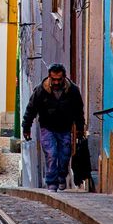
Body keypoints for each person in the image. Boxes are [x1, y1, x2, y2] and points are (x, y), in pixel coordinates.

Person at [22, 63, 85, 192]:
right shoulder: (41, 90)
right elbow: (31, 109)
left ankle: (62, 176)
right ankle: (52, 183)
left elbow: (79, 111)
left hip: (65, 128)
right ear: (49, 77)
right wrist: (26, 127)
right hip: (47, 127)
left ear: (64, 77)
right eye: (54, 79)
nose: (56, 82)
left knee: (65, 155)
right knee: (51, 154)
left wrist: (79, 129)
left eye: (59, 79)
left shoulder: (72, 90)